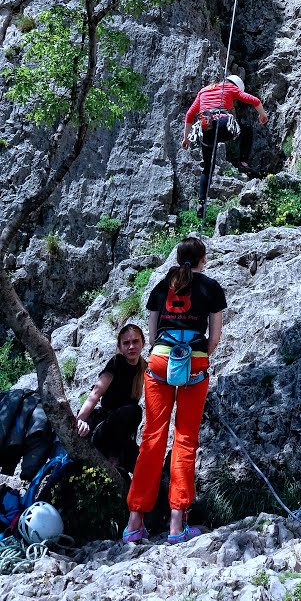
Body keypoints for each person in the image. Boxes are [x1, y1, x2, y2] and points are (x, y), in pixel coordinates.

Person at [123, 236, 226, 545]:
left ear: (178, 257)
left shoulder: (161, 286)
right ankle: (176, 523)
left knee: (152, 438)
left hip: (160, 361)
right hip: (193, 362)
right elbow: (215, 337)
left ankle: (134, 523)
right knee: (185, 440)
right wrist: (199, 357)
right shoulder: (211, 287)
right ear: (202, 259)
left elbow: (152, 335)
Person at [181, 74, 268, 213]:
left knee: (208, 168)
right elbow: (254, 100)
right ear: (236, 86)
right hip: (222, 124)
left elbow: (189, 115)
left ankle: (201, 203)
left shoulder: (203, 91)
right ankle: (243, 161)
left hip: (204, 129)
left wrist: (186, 138)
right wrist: (263, 115)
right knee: (246, 131)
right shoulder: (230, 87)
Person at [76, 324, 146, 472]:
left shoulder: (144, 367)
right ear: (119, 347)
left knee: (144, 466)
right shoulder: (117, 363)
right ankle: (113, 456)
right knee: (134, 411)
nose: (131, 346)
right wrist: (80, 420)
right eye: (126, 343)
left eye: (135, 341)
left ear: (143, 343)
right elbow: (96, 392)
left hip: (123, 435)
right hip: (103, 428)